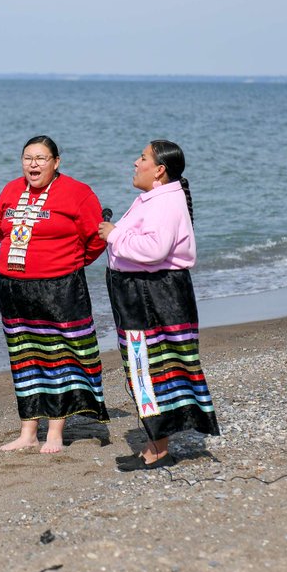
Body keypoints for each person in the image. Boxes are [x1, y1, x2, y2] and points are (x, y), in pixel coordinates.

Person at [98, 140, 220, 471]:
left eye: (142, 158)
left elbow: (154, 249)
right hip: (146, 293)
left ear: (159, 170)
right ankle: (155, 444)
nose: (135, 163)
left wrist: (112, 235)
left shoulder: (165, 202)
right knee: (150, 366)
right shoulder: (157, 198)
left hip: (154, 295)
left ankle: (158, 449)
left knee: (154, 367)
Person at [0, 135, 109, 454]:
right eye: (28, 157)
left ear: (56, 162)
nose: (33, 164)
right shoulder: (11, 190)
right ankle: (28, 430)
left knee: (59, 355)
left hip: (60, 287)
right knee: (24, 356)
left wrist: (70, 261)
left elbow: (97, 237)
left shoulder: (78, 192)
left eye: (41, 158)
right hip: (14, 287)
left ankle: (55, 430)